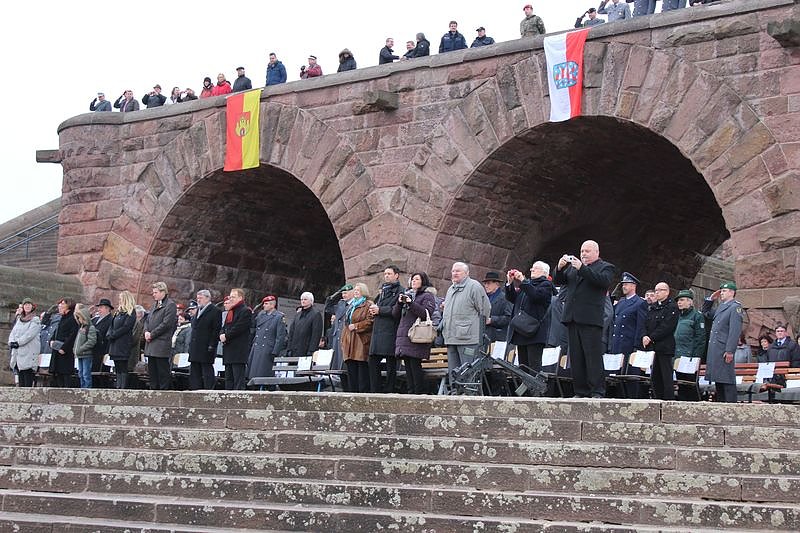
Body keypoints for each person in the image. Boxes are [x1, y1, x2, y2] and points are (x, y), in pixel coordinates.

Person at [554, 240, 615, 398]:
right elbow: (560, 281)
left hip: (590, 319)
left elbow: (601, 281)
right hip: (573, 317)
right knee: (576, 357)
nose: (583, 254)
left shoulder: (605, 267)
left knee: (592, 356)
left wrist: (582, 268)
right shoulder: (574, 269)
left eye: (587, 251)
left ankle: (597, 390)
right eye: (582, 251)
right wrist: (559, 268)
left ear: (596, 252)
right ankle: (580, 391)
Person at [441, 262, 491, 376]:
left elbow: (485, 308)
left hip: (468, 339)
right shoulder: (451, 289)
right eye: (453, 271)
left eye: (458, 271)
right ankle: (455, 393)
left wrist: (481, 329)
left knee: (468, 372)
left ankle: (468, 393)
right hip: (451, 338)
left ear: (467, 273)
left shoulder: (474, 286)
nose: (454, 273)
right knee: (454, 373)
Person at [505, 263, 555, 372]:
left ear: (544, 272)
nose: (532, 269)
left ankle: (535, 389)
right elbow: (513, 299)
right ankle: (525, 389)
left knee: (534, 368)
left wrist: (523, 281)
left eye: (536, 268)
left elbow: (535, 295)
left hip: (534, 333)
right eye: (532, 267)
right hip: (521, 330)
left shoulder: (545, 285)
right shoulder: (527, 285)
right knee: (523, 368)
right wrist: (510, 283)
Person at [393, 272, 437, 394]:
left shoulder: (427, 296)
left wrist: (411, 303)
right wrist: (399, 303)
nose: (413, 281)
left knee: (415, 365)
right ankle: (411, 392)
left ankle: (418, 393)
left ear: (423, 281)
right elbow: (395, 315)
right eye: (412, 279)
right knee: (408, 366)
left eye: (417, 279)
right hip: (405, 335)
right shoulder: (407, 294)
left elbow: (425, 313)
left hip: (417, 336)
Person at [702, 282, 744, 403]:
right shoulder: (722, 307)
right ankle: (722, 403)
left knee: (726, 378)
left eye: (724, 291)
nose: (721, 293)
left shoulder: (735, 307)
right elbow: (706, 313)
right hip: (716, 347)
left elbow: (734, 332)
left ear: (732, 292)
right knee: (718, 378)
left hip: (723, 348)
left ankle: (731, 404)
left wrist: (730, 350)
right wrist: (710, 300)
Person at [609, 272, 647, 397]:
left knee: (629, 377)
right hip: (617, 344)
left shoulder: (639, 303)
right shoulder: (620, 303)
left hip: (629, 345)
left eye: (626, 284)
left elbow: (640, 326)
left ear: (633, 286)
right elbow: (614, 324)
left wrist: (636, 347)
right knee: (615, 377)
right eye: (623, 284)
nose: (624, 286)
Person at [642, 282, 679, 400]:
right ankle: (657, 398)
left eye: (660, 290)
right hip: (653, 347)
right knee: (655, 377)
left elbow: (667, 327)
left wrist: (651, 337)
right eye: (655, 290)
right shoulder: (652, 307)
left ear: (667, 292)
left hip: (664, 346)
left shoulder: (671, 307)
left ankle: (668, 400)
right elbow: (646, 323)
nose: (656, 292)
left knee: (666, 376)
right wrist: (644, 335)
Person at [368, 266, 403, 393]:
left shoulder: (400, 291)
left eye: (389, 273)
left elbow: (397, 310)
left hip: (390, 330)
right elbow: (378, 305)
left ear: (396, 275)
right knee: (372, 360)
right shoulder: (382, 291)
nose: (386, 276)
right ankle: (375, 390)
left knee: (390, 363)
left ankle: (389, 390)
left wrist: (380, 310)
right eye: (385, 273)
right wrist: (373, 310)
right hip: (378, 331)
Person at [341, 283, 374, 393]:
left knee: (361, 368)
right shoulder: (351, 305)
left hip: (361, 340)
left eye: (358, 290)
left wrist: (356, 326)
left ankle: (362, 394)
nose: (355, 292)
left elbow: (370, 322)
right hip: (350, 340)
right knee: (351, 368)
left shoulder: (368, 305)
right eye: (355, 290)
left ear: (363, 292)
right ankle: (352, 393)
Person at [143, 281, 177, 390]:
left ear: (163, 292)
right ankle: (154, 389)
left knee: (162, 370)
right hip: (151, 342)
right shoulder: (155, 305)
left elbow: (166, 324)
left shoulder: (170, 305)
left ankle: (163, 391)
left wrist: (152, 334)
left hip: (161, 343)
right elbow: (147, 320)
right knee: (152, 370)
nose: (153, 294)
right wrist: (146, 331)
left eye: (156, 292)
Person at [673, 289, 706, 401]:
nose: (679, 302)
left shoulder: (697, 316)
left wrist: (696, 357)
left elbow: (700, 339)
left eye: (682, 300)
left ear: (690, 302)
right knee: (680, 385)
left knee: (690, 384)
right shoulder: (677, 316)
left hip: (689, 356)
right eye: (678, 300)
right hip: (677, 355)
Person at [247, 295, 287, 381]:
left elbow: (280, 336)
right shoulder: (261, 315)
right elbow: (254, 328)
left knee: (263, 373)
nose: (264, 305)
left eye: (266, 304)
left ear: (272, 305)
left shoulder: (279, 317)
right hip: (257, 346)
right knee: (253, 373)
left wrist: (275, 351)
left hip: (268, 348)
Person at [219, 288, 253, 390]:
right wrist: (221, 334)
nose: (231, 299)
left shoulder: (245, 311)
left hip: (238, 350)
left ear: (240, 298)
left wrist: (226, 336)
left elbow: (239, 327)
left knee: (238, 378)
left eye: (233, 297)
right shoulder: (231, 311)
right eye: (230, 297)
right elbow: (225, 326)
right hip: (229, 348)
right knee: (229, 378)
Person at [188, 289, 221, 390]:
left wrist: (212, 345)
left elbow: (216, 330)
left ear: (207, 298)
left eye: (201, 298)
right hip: (195, 346)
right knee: (194, 370)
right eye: (197, 298)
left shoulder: (215, 311)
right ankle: (195, 389)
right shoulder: (198, 310)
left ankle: (208, 390)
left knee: (206, 370)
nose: (198, 300)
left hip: (206, 346)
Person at [106, 291, 137, 389]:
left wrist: (114, 334)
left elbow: (126, 327)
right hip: (115, 343)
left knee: (123, 366)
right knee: (117, 366)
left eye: (121, 299)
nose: (119, 301)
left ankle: (122, 386)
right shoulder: (118, 312)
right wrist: (109, 334)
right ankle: (118, 385)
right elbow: (111, 325)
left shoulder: (131, 312)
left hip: (123, 343)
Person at [8, 298, 41, 387]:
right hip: (19, 353)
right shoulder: (20, 319)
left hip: (29, 351)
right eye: (25, 304)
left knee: (28, 375)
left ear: (32, 307)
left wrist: (18, 343)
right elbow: (13, 332)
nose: (27, 306)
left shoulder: (35, 320)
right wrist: (11, 341)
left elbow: (29, 335)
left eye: (29, 304)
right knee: (20, 376)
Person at [49, 297, 79, 387]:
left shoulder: (72, 318)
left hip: (65, 351)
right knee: (57, 374)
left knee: (65, 374)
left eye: (63, 304)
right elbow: (56, 332)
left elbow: (72, 335)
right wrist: (51, 341)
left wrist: (64, 348)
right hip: (56, 349)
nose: (60, 306)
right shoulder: (62, 318)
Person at [287, 292, 324, 358]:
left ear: (311, 301)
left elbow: (316, 334)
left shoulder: (316, 314)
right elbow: (291, 332)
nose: (303, 301)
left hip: (306, 350)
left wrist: (311, 350)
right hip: (294, 350)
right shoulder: (298, 315)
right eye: (302, 299)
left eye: (305, 299)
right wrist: (289, 348)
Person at [328, 284, 353, 372]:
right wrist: (334, 295)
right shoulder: (341, 303)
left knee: (343, 359)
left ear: (352, 293)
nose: (343, 295)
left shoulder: (354, 304)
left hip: (345, 333)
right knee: (335, 359)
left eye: (346, 293)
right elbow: (328, 308)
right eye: (342, 293)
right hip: (337, 333)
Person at [483, 272, 512, 345]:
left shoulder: (505, 298)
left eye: (488, 283)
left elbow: (509, 318)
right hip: (483, 336)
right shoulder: (483, 297)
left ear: (497, 284)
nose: (486, 286)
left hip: (497, 338)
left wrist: (492, 320)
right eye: (485, 283)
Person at [72, 304, 97, 389]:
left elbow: (92, 341)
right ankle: (82, 388)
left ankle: (87, 389)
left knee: (86, 374)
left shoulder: (90, 328)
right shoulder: (81, 327)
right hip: (80, 354)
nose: (78, 320)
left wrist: (81, 348)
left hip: (86, 354)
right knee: (81, 373)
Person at [91, 298, 113, 373]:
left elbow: (109, 337)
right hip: (92, 350)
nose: (99, 309)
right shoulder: (94, 320)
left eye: (101, 307)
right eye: (99, 307)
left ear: (107, 308)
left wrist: (107, 352)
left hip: (102, 351)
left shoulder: (111, 320)